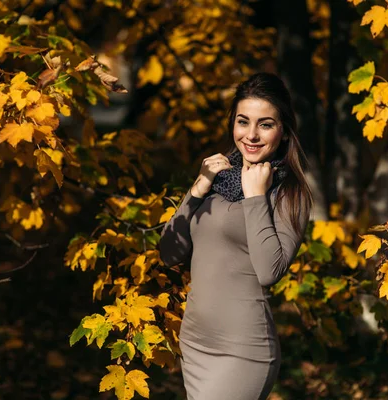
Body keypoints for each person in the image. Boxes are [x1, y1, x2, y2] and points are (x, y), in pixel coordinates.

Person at [159, 72, 313, 400]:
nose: (252, 135)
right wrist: (197, 188)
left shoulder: (290, 193)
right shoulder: (216, 180)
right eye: (244, 122)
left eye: (266, 124)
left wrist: (256, 196)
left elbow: (269, 271)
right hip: (195, 343)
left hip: (244, 351)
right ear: (233, 124)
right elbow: (169, 253)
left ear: (284, 132)